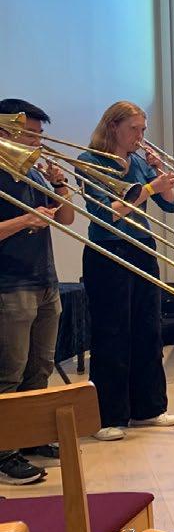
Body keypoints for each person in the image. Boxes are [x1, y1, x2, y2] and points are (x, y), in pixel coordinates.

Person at [79, 101, 174, 442]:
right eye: (133, 129)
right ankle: (107, 416)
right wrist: (149, 188)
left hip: (142, 247)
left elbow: (170, 204)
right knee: (112, 334)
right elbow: (106, 214)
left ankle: (148, 408)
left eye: (142, 129)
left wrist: (160, 174)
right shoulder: (89, 161)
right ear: (113, 127)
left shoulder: (138, 161)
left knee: (148, 330)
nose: (139, 135)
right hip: (108, 250)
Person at [0, 99, 75, 482]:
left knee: (40, 366)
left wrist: (60, 185)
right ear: (4, 131)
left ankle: (30, 437)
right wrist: (25, 220)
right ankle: (5, 451)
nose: (37, 143)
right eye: (29, 134)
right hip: (9, 284)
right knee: (8, 372)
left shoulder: (33, 173)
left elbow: (67, 218)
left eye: (38, 135)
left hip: (45, 280)